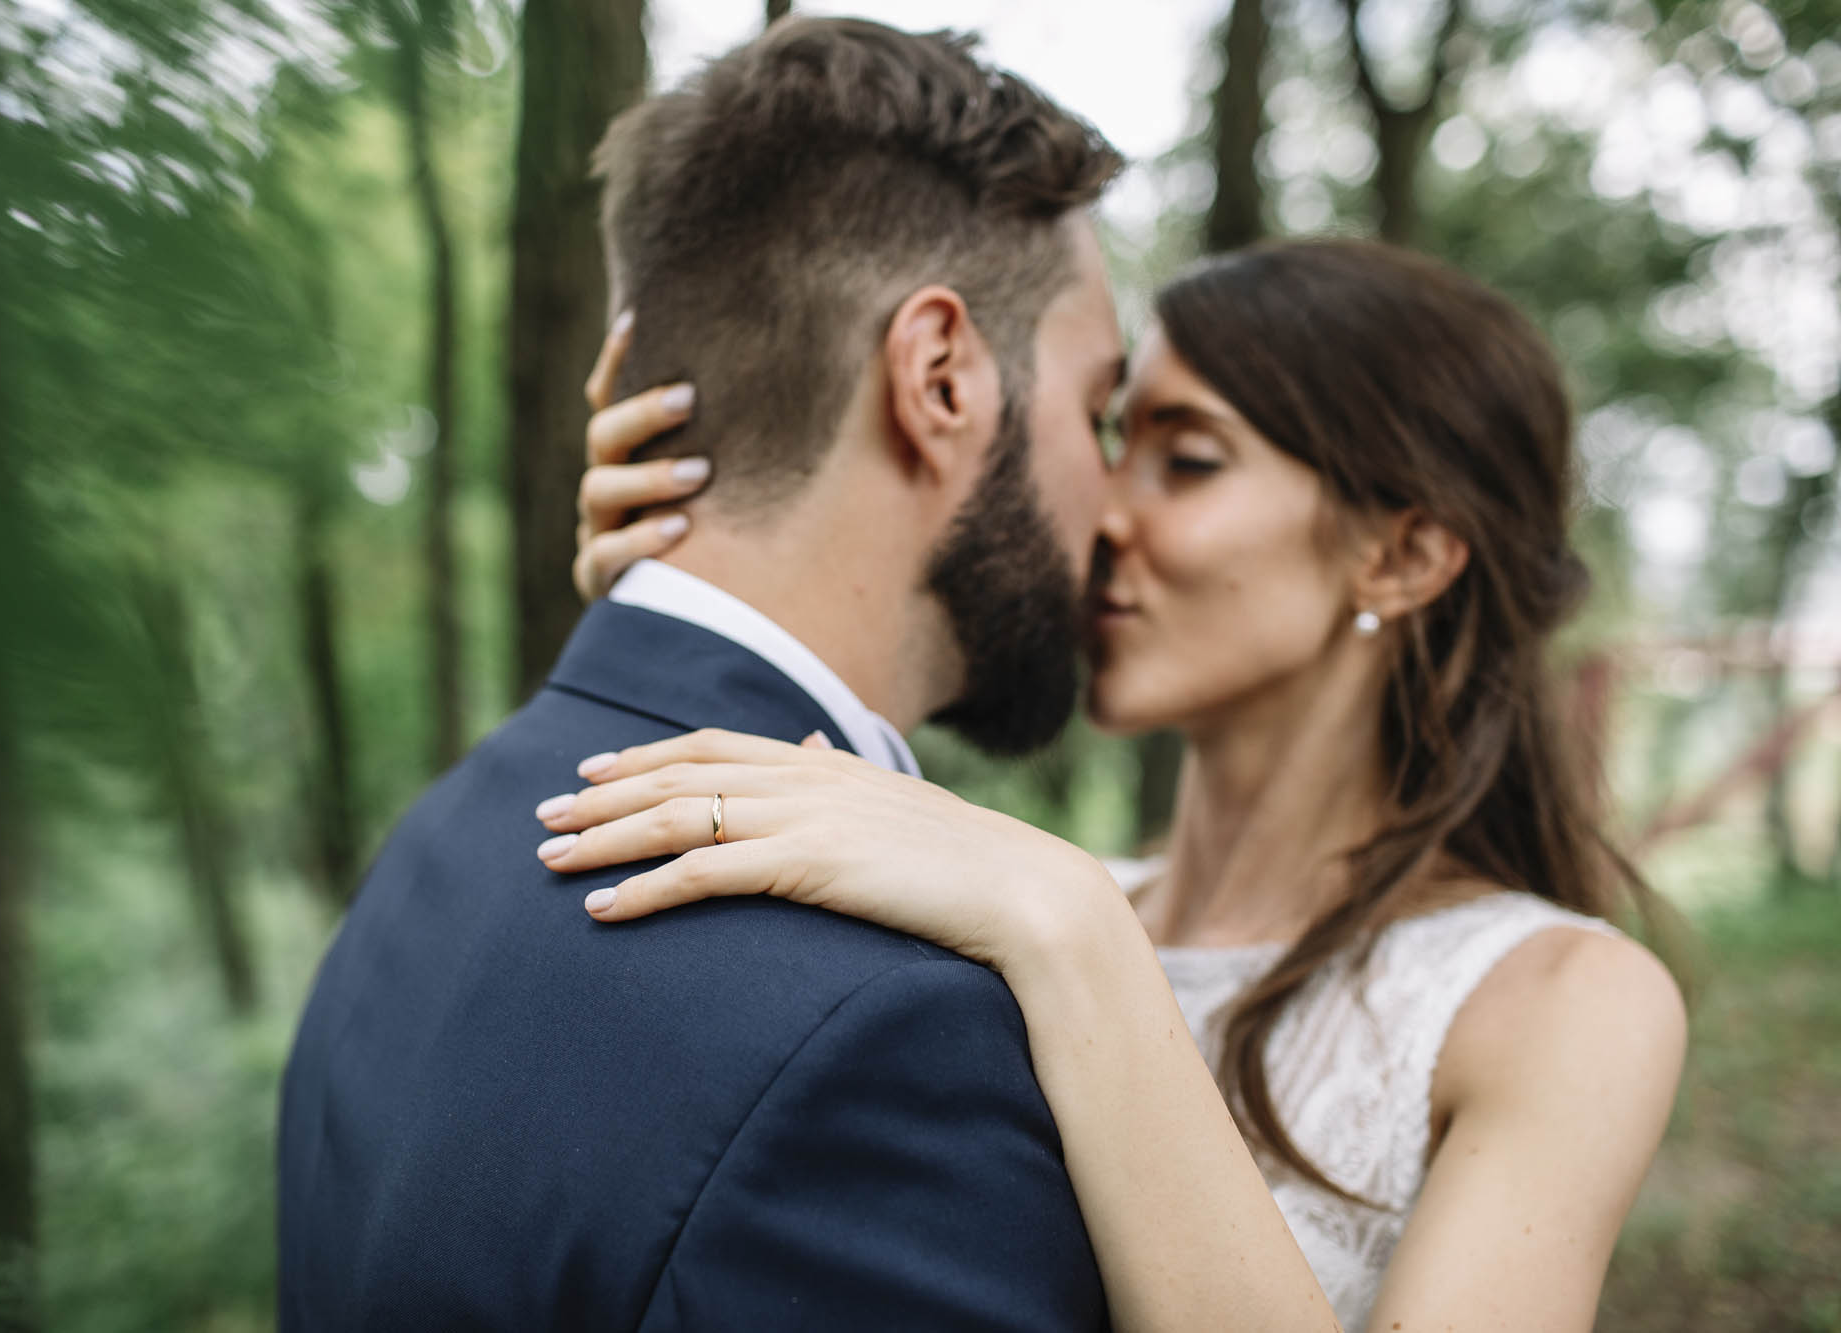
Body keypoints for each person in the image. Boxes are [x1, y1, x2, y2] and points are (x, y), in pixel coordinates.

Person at [547, 238, 1690, 1331]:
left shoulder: (1560, 1004)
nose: (1097, 513)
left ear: (1398, 556)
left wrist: (1081, 933)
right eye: (1107, 437)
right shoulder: (1013, 901)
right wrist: (699, 578)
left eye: (1185, 460)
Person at [276, 17, 1140, 1330]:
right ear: (940, 379)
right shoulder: (892, 1027)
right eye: (1101, 412)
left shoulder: (441, 838)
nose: (1117, 505)